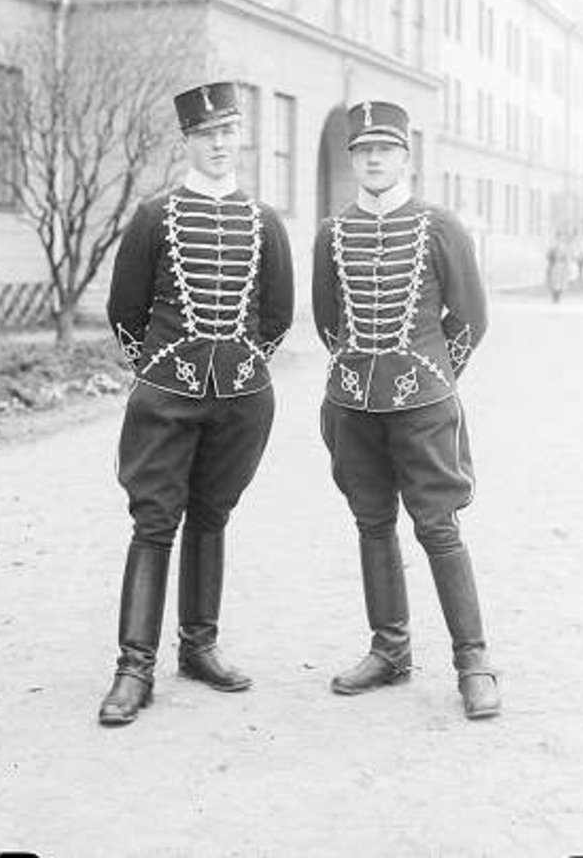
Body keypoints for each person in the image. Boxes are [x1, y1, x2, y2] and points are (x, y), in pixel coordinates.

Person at [99, 81, 294, 726]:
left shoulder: (264, 222)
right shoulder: (155, 216)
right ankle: (134, 667)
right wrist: (160, 373)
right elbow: (124, 309)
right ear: (186, 141)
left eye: (227, 132)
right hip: (165, 398)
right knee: (154, 522)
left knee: (211, 516)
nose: (218, 144)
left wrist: (239, 364)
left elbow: (277, 315)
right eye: (206, 134)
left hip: (241, 400)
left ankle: (199, 647)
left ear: (240, 137)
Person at [311, 100, 501, 720]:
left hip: (423, 405)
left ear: (405, 157)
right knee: (371, 522)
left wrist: (431, 378)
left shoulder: (439, 226)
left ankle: (473, 663)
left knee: (438, 527)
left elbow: (470, 317)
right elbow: (328, 322)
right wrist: (363, 375)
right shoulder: (332, 232)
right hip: (353, 405)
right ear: (353, 160)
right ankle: (389, 650)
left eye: (385, 150)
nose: (373, 159)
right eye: (363, 150)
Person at [545, 236, 569, 304]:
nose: (557, 242)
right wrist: (551, 259)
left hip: (560, 267)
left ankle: (557, 297)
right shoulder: (552, 248)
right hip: (554, 266)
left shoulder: (563, 248)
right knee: (554, 283)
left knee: (559, 283)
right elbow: (547, 256)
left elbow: (565, 258)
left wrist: (565, 266)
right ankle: (555, 297)